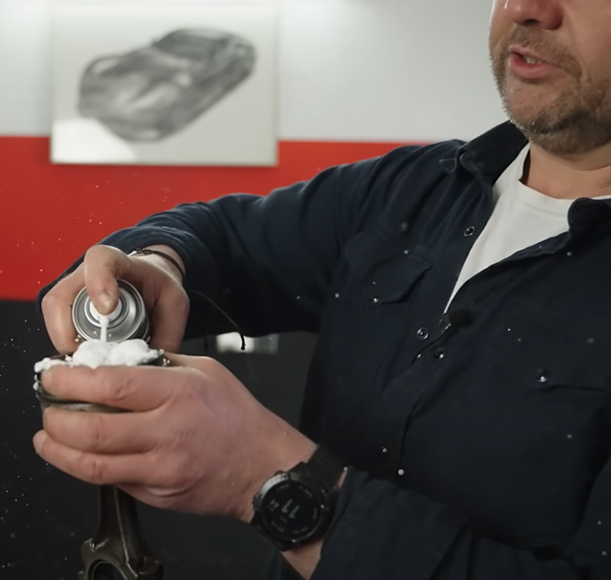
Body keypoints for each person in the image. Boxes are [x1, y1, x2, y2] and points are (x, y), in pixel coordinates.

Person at [34, 0, 611, 578]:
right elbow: (225, 237)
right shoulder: (410, 189)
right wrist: (157, 262)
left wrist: (270, 482)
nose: (524, 8)